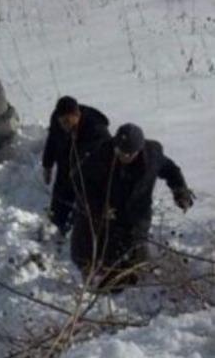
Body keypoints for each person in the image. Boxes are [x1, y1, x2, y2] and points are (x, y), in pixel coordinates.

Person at [70, 123, 196, 292]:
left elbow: (171, 170)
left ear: (139, 149)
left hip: (138, 214)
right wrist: (98, 206)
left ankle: (131, 277)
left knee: (133, 263)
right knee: (106, 253)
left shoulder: (152, 154)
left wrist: (180, 191)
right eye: (120, 152)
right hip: (110, 213)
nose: (124, 157)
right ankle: (101, 279)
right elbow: (80, 181)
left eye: (129, 154)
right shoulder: (101, 154)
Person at [42, 96, 111, 236]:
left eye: (68, 122)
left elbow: (109, 155)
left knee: (83, 207)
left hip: (88, 172)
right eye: (61, 122)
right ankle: (56, 227)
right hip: (65, 166)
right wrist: (47, 165)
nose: (64, 126)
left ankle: (77, 232)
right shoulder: (57, 120)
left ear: (77, 115)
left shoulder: (97, 129)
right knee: (59, 202)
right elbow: (52, 142)